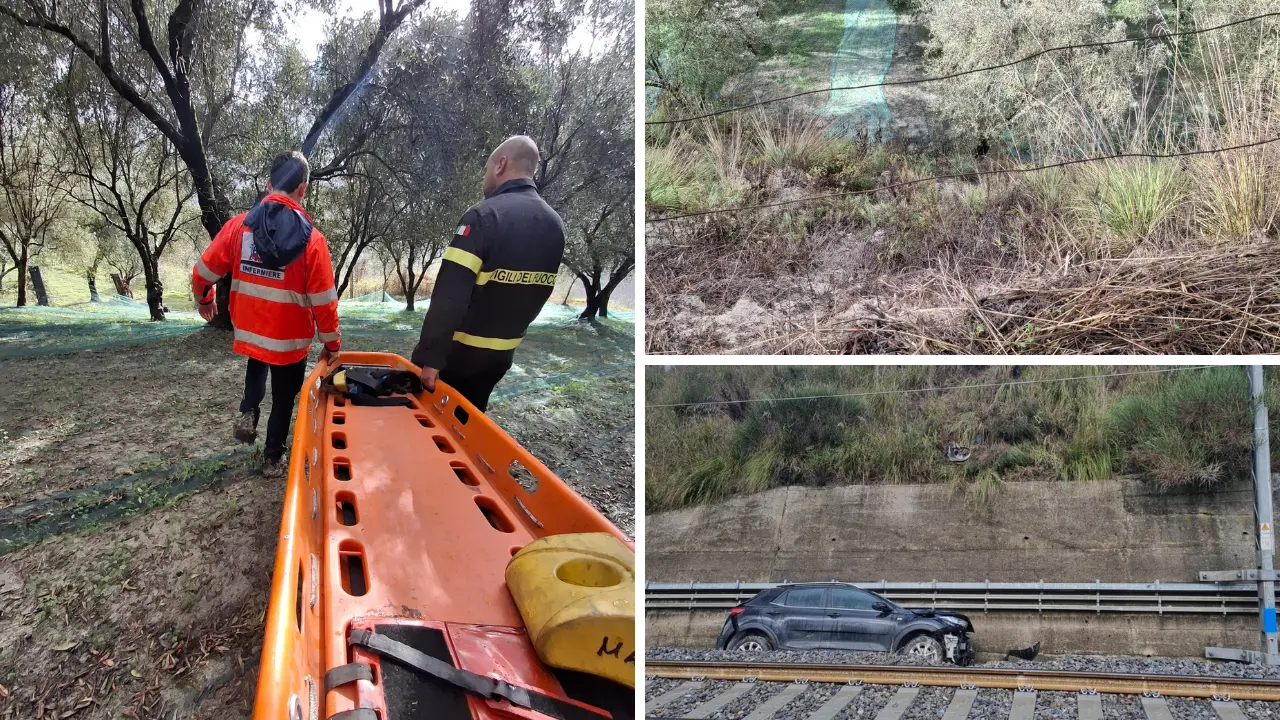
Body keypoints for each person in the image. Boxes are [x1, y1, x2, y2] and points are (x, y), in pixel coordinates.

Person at [191, 150, 341, 477]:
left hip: (252, 331)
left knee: (257, 363)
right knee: (284, 400)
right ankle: (273, 459)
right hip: (290, 341)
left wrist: (204, 298)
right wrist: (332, 345)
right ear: (303, 189)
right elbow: (325, 303)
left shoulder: (238, 227)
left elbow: (202, 272)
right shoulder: (314, 242)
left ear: (269, 184)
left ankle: (248, 409)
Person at [410, 135, 564, 412]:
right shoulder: (555, 225)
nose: (484, 177)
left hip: (456, 358)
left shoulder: (483, 217)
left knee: (431, 422)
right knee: (469, 422)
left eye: (486, 168)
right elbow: (540, 290)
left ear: (500, 165)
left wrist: (430, 358)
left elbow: (450, 296)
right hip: (500, 358)